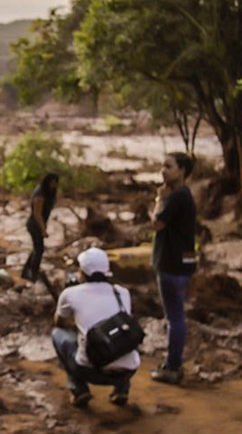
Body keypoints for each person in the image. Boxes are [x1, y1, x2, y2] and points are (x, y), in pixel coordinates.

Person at [52, 247, 140, 408]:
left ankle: (78, 388)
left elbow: (59, 322)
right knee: (121, 336)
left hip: (89, 370)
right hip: (127, 371)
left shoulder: (70, 293)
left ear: (82, 272)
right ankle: (121, 389)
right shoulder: (122, 293)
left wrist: (77, 321)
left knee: (57, 334)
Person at [150, 152, 197, 384]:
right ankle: (173, 362)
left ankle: (172, 366)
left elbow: (156, 223)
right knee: (177, 315)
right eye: (162, 165)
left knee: (175, 317)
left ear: (182, 171)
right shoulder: (185, 194)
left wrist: (159, 199)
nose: (163, 170)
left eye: (169, 166)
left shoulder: (176, 196)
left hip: (171, 263)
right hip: (184, 261)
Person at [21, 173, 59, 282]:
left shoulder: (49, 193)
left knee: (37, 248)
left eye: (55, 183)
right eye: (52, 183)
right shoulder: (40, 194)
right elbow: (37, 214)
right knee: (39, 249)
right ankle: (33, 273)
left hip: (39, 223)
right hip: (34, 224)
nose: (53, 185)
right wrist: (43, 229)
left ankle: (26, 271)